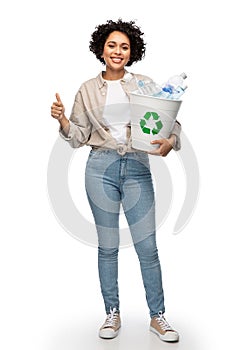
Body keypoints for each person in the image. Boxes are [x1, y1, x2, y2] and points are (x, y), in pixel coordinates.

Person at [51, 19, 181, 343]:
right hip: (100, 168)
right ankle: (112, 312)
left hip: (137, 166)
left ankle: (157, 316)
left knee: (147, 247)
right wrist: (64, 120)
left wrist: (170, 142)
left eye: (124, 46)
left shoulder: (144, 84)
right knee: (107, 247)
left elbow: (171, 122)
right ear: (101, 49)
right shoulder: (87, 89)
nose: (118, 51)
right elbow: (78, 137)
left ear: (132, 51)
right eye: (112, 45)